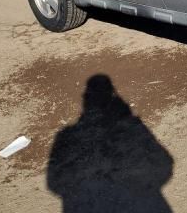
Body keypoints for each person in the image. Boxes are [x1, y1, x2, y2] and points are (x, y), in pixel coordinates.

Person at [47, 74, 173, 212]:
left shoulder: (67, 134)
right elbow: (165, 163)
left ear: (85, 98)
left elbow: (54, 183)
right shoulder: (131, 125)